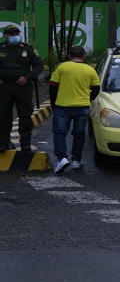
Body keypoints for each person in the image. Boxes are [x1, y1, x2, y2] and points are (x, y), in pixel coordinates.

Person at [49, 46, 100, 174]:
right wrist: (88, 98)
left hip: (62, 106)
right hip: (82, 107)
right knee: (79, 134)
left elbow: (53, 87)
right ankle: (77, 160)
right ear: (83, 56)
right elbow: (96, 88)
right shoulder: (90, 70)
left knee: (59, 133)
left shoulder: (61, 67)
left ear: (69, 55)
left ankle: (62, 158)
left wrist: (53, 104)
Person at [0, 24, 44, 152]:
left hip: (22, 87)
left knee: (25, 116)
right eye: (11, 34)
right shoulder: (1, 48)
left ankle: (25, 143)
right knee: (3, 116)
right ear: (5, 35)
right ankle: (3, 143)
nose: (14, 36)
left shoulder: (27, 48)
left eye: (16, 33)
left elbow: (39, 66)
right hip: (4, 88)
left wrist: (28, 77)